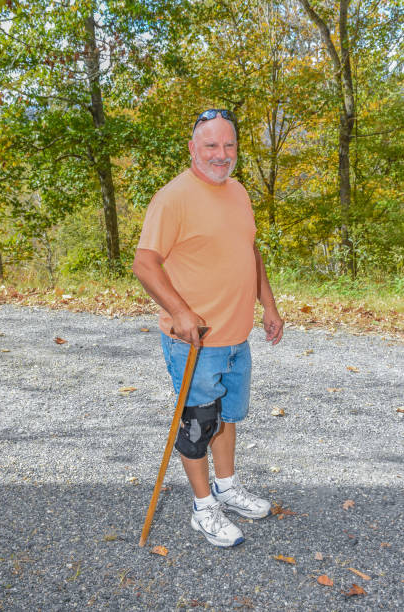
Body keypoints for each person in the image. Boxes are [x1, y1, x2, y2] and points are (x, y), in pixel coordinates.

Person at [133, 109, 284, 548]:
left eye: (229, 145)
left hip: (237, 336)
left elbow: (249, 252)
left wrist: (268, 305)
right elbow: (145, 263)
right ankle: (203, 509)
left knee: (227, 418)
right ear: (193, 148)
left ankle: (226, 486)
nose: (221, 155)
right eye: (211, 146)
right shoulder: (173, 197)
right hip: (195, 343)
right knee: (198, 425)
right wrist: (180, 311)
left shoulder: (238, 192)